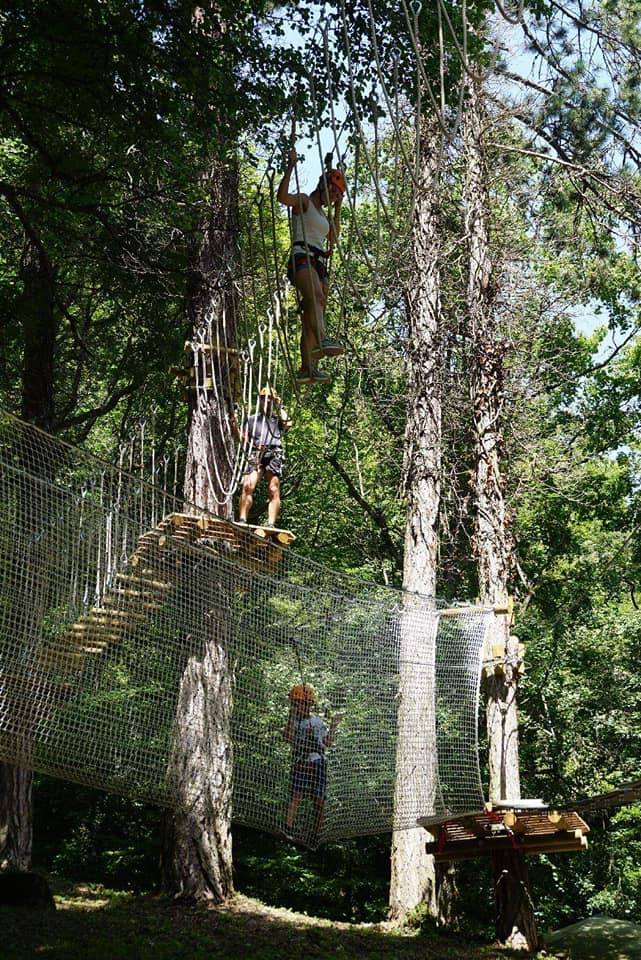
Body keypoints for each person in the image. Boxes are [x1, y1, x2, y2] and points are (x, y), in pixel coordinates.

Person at [277, 149, 346, 386]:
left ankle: (308, 367)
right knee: (315, 296)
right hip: (302, 257)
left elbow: (333, 238)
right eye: (333, 193)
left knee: (312, 313)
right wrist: (291, 166)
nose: (333, 198)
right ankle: (323, 339)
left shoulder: (325, 215)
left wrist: (338, 208)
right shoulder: (305, 201)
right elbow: (282, 197)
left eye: (337, 196)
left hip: (318, 263)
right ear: (323, 185)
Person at [283, 682, 342, 842]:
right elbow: (288, 738)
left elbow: (327, 743)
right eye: (296, 705)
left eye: (303, 705)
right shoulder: (293, 722)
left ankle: (316, 834)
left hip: (318, 761)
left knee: (319, 799)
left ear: (309, 705)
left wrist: (333, 727)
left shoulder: (317, 722)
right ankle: (288, 828)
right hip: (301, 760)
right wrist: (291, 716)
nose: (300, 708)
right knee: (297, 794)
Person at [238, 385, 292, 528]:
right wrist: (233, 426)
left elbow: (288, 424)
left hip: (273, 453)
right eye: (264, 398)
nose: (267, 401)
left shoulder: (277, 420)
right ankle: (242, 519)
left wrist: (278, 406)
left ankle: (271, 523)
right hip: (256, 452)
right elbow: (243, 438)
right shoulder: (252, 420)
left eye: (270, 399)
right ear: (260, 400)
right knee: (248, 485)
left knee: (273, 488)